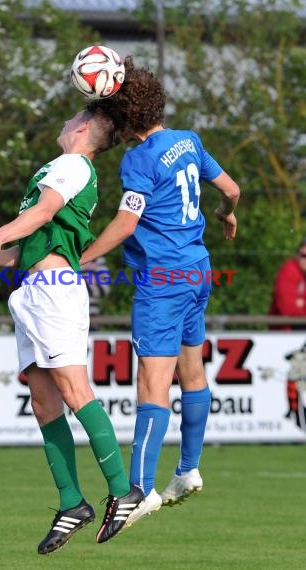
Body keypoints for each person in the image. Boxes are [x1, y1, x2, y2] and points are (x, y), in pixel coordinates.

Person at [0, 107, 144, 555]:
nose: (62, 123)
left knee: (76, 392)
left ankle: (124, 491)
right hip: (35, 291)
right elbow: (42, 237)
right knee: (44, 402)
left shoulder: (72, 164)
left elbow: (43, 213)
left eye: (71, 118)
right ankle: (71, 502)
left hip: (53, 292)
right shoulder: (69, 167)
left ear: (82, 128)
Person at [80, 56, 240, 524]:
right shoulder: (189, 141)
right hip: (197, 270)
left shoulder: (139, 159)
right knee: (192, 371)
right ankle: (188, 469)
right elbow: (231, 187)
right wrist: (227, 212)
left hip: (162, 281)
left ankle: (140, 491)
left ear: (123, 119)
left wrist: (79, 256)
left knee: (152, 383)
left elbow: (126, 224)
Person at [269, 238, 306, 330]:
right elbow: (287, 310)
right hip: (287, 334)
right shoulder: (289, 271)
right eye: (304, 255)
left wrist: (302, 303)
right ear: (297, 255)